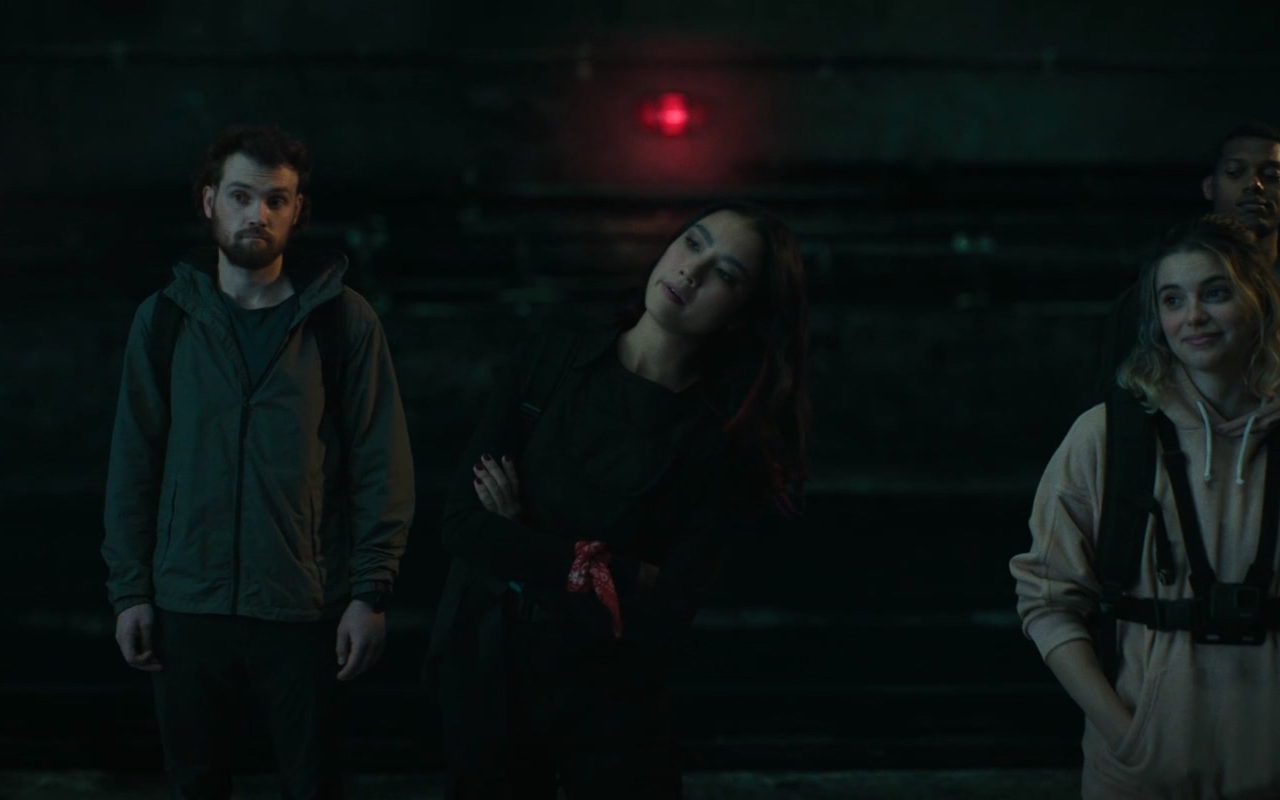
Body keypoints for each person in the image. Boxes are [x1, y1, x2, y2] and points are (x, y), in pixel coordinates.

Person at [424, 200, 811, 798]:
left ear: (742, 314)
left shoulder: (720, 445)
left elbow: (663, 617)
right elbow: (461, 525)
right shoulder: (549, 361)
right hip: (490, 672)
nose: (691, 271)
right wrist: (612, 571)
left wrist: (518, 535)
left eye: (725, 274)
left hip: (611, 704)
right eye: (692, 243)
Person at [1014, 214, 1280, 798]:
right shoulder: (1104, 439)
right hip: (1139, 773)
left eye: (1215, 293)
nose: (1192, 316)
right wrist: (1125, 735)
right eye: (1173, 299)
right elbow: (1046, 598)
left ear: (1259, 303)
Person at [100, 124, 416, 800]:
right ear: (209, 201)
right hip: (187, 605)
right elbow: (133, 466)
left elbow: (380, 462)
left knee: (313, 786)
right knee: (196, 785)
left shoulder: (341, 320)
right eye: (242, 196)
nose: (258, 215)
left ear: (298, 211)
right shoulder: (165, 321)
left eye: (276, 200)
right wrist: (130, 593)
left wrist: (369, 593)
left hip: (303, 609)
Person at [1092, 123, 1280, 470]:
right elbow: (1114, 412)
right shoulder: (1150, 298)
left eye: (1271, 175)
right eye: (1236, 172)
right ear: (1210, 186)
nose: (1255, 185)